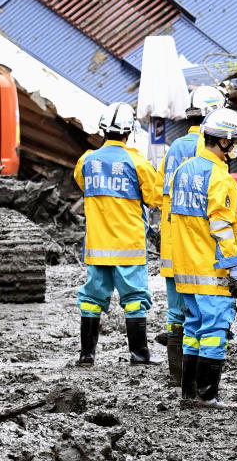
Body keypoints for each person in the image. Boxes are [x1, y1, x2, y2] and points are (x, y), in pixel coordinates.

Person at [170, 107, 237, 410]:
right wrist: (235, 269)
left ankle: (188, 393)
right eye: (235, 141)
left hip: (186, 269)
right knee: (215, 330)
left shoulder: (183, 171)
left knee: (193, 329)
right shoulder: (220, 178)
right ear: (225, 142)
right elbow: (222, 229)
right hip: (212, 270)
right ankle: (207, 395)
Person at [75, 102, 161, 367]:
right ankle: (139, 355)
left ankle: (87, 356)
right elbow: (155, 196)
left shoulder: (87, 160)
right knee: (134, 299)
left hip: (97, 247)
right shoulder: (137, 162)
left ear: (103, 130)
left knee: (91, 299)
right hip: (129, 247)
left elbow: (81, 182)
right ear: (129, 131)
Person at [156, 85, 226, 385]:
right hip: (199, 242)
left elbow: (160, 192)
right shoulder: (210, 150)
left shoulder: (175, 148)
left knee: (176, 311)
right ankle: (196, 379)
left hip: (172, 240)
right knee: (202, 313)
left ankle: (177, 376)